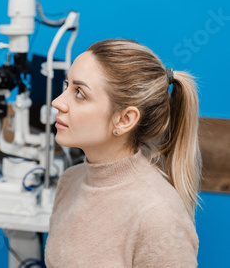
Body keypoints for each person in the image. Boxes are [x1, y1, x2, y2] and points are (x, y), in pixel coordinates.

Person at [45, 39, 201, 267]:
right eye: (66, 85)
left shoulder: (158, 215)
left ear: (125, 119)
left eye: (79, 93)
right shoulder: (70, 181)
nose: (57, 102)